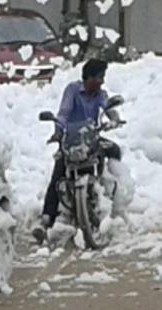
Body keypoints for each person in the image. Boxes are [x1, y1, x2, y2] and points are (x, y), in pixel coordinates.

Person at [32, 59, 122, 244]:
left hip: (91, 139)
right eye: (99, 77)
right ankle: (46, 219)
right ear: (88, 78)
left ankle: (111, 196)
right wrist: (58, 132)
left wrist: (114, 119)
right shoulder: (73, 90)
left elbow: (108, 107)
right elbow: (64, 113)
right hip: (71, 140)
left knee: (114, 150)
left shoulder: (100, 94)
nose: (101, 81)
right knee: (58, 174)